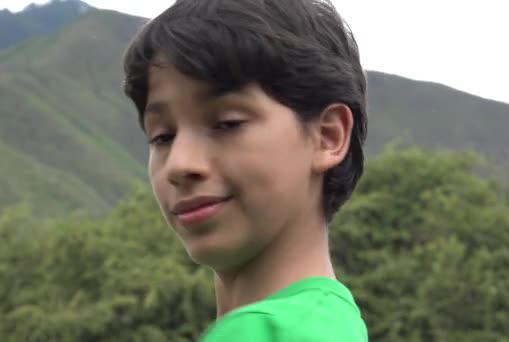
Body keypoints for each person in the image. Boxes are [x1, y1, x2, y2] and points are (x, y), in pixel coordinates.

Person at [122, 0, 368, 340]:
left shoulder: (262, 331)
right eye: (162, 136)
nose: (179, 164)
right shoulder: (333, 322)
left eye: (227, 123)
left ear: (328, 136)